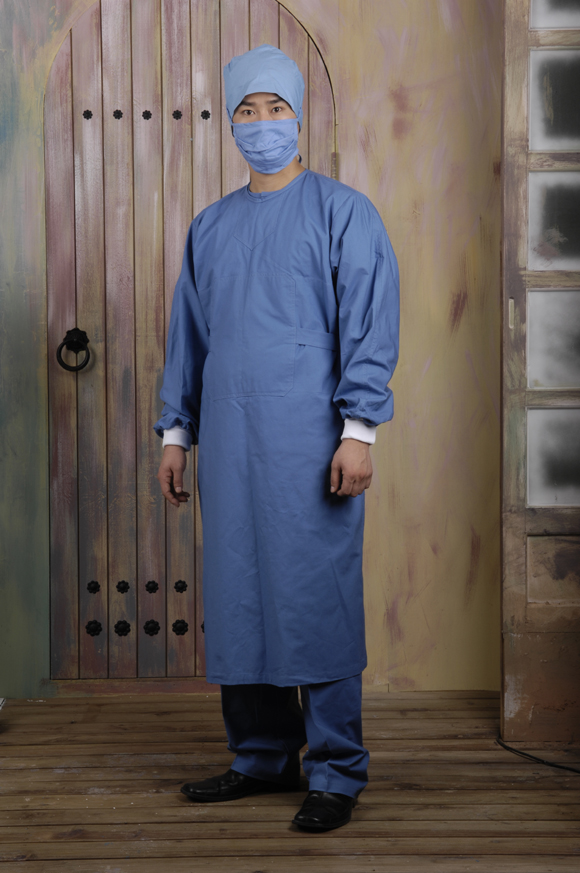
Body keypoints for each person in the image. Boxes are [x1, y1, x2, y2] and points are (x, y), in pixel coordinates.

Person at [154, 44, 399, 831]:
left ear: (299, 116)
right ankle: (260, 756)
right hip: (229, 438)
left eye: (276, 108)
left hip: (311, 438)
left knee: (313, 594)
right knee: (241, 593)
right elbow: (189, 338)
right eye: (247, 111)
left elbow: (369, 325)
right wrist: (176, 432)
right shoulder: (211, 226)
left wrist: (358, 430)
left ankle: (335, 769)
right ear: (230, 123)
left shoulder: (343, 212)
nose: (262, 123)